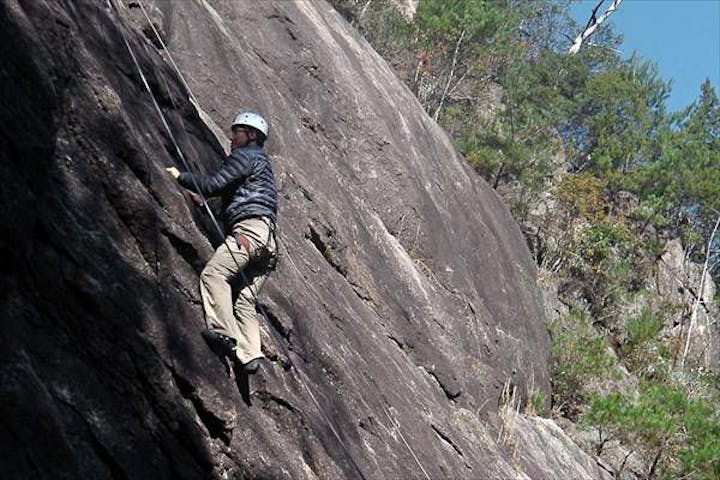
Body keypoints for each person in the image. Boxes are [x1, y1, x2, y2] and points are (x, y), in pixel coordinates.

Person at [166, 111, 277, 374]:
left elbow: (215, 184)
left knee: (214, 274)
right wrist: (207, 207)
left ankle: (225, 333)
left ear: (251, 135)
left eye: (237, 131)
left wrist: (181, 177)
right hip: (268, 242)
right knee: (245, 301)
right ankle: (251, 354)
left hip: (249, 233)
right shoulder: (262, 165)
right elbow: (235, 197)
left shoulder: (245, 156)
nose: (232, 137)